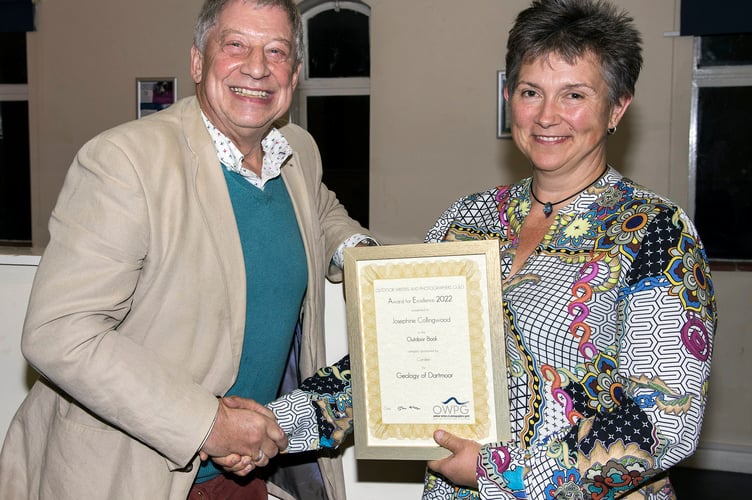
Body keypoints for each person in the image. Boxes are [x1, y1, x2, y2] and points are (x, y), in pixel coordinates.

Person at [0, 0, 375, 499]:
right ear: (198, 61)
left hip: (244, 475)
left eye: (277, 51)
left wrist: (365, 259)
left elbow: (322, 210)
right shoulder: (125, 161)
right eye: (236, 44)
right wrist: (210, 424)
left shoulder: (297, 150)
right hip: (128, 476)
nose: (258, 67)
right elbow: (58, 332)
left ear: (296, 73)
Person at [422, 0, 716, 498]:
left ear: (617, 107)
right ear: (508, 95)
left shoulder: (655, 232)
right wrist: (274, 424)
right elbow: (389, 356)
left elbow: (666, 421)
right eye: (530, 92)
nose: (546, 116)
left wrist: (499, 470)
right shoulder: (466, 219)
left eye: (574, 94)